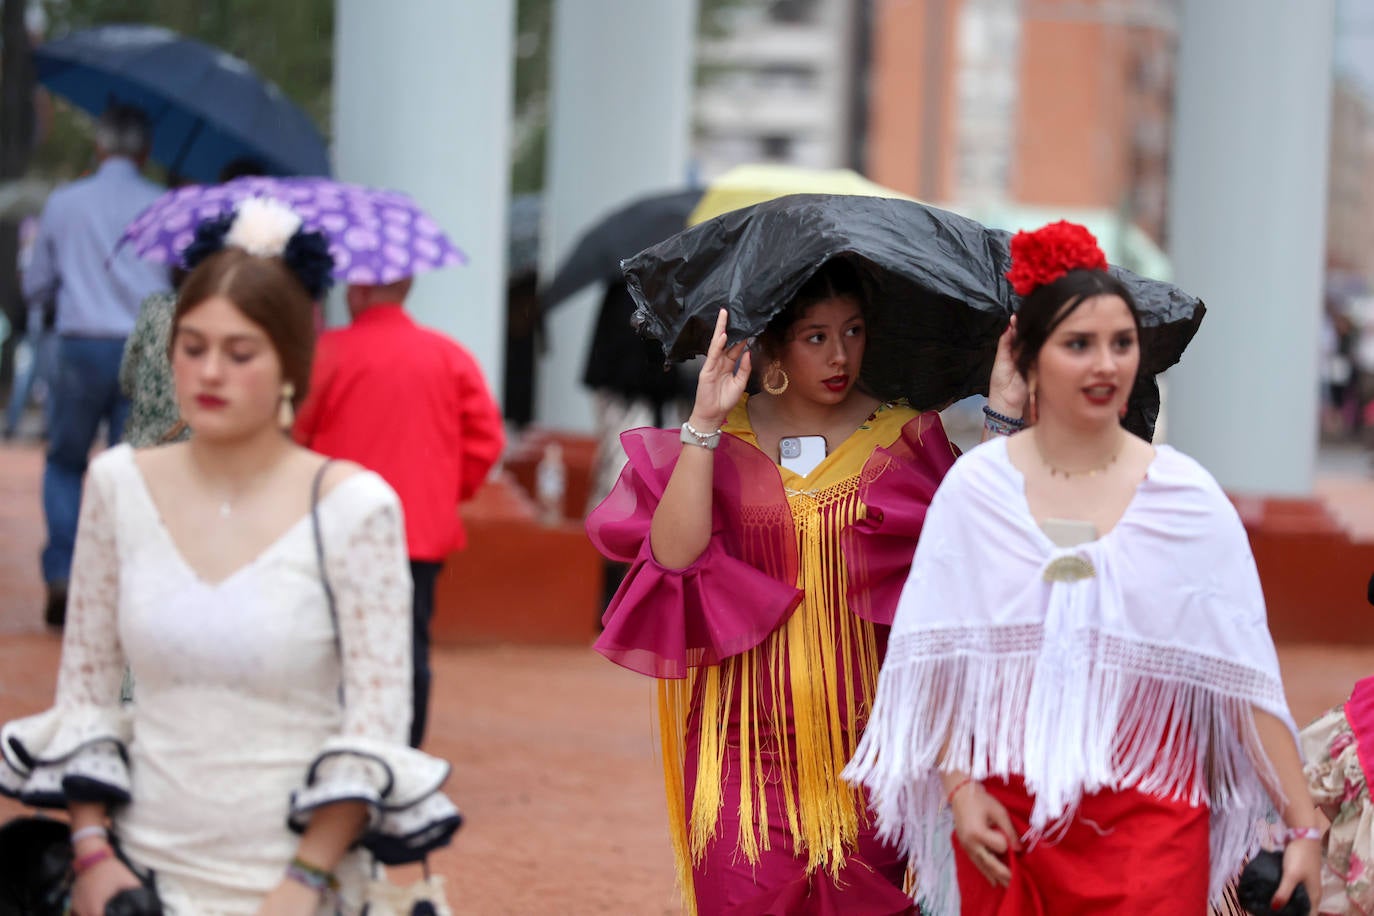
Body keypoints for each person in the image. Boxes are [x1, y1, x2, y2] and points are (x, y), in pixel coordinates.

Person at [844, 221, 1322, 915]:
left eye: (1121, 343)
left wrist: (1303, 824)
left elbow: (1243, 675)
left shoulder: (1187, 499)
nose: (1106, 364)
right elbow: (939, 662)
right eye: (1079, 345)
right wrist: (959, 790)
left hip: (1153, 823)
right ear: (1025, 357)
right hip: (1005, 823)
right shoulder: (977, 493)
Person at [0, 198, 460, 914]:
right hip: (139, 880)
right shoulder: (118, 485)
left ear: (289, 365)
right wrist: (93, 857)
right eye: (192, 346)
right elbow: (85, 694)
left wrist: (302, 880)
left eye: (239, 352)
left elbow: (375, 724)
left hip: (295, 883)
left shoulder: (354, 508)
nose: (210, 371)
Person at [585, 258, 1023, 913]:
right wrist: (704, 421)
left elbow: (973, 553)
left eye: (852, 331)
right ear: (773, 345)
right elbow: (673, 561)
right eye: (816, 336)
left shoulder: (904, 436)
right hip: (737, 747)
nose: (839, 354)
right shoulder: (721, 439)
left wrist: (1005, 419)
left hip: (868, 748)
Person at [295, 276, 505, 748]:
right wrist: (446, 493)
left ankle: (335, 748)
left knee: (333, 644)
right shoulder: (448, 355)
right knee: (408, 646)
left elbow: (295, 437)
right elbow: (486, 440)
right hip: (419, 529)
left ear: (357, 291)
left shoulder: (328, 351)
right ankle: (402, 756)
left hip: (337, 525)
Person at [22, 104, 170, 626]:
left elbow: (34, 284)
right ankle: (122, 581)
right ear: (145, 152)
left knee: (65, 462)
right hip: (147, 344)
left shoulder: (65, 204)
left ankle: (63, 571)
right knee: (132, 470)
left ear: (99, 146)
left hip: (81, 344)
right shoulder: (163, 205)